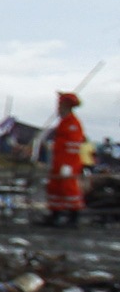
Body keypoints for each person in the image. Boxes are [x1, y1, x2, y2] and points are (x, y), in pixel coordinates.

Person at [47, 91, 87, 221]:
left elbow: (73, 146)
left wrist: (67, 165)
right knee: (55, 187)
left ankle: (73, 216)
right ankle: (55, 215)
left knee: (69, 188)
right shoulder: (64, 122)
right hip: (59, 161)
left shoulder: (73, 123)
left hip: (67, 163)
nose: (58, 108)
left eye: (60, 105)